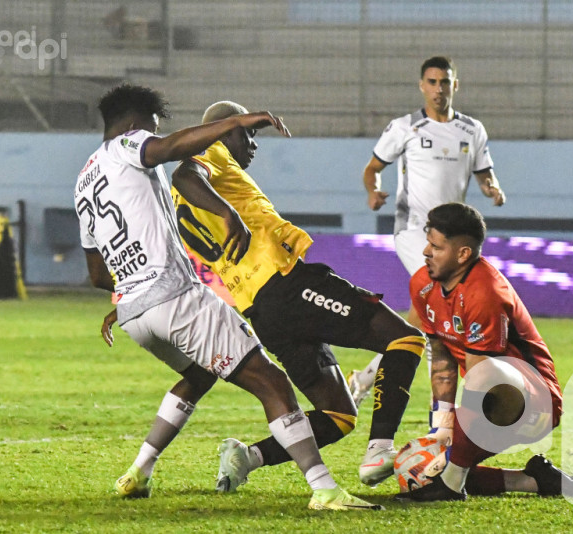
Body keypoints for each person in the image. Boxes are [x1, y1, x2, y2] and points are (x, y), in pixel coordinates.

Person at [78, 84, 381, 511]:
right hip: (175, 298)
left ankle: (140, 470)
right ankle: (325, 489)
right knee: (272, 383)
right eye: (151, 127)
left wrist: (130, 289)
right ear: (132, 123)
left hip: (133, 312)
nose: (153, 135)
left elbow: (96, 274)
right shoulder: (128, 145)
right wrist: (236, 122)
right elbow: (170, 150)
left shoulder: (83, 182)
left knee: (200, 375)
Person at [393, 202, 573, 502]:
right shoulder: (423, 284)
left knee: (483, 372)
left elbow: (480, 372)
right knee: (419, 473)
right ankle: (534, 480)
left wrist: (456, 432)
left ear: (463, 254)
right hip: (484, 401)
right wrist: (442, 424)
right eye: (428, 243)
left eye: (436, 247)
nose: (426, 252)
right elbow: (442, 358)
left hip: (534, 402)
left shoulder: (486, 291)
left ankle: (452, 484)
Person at [349, 56, 505, 411]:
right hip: (413, 231)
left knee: (425, 317)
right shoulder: (405, 127)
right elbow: (372, 168)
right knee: (437, 303)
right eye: (432, 82)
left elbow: (484, 172)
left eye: (445, 82)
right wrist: (373, 192)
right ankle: (443, 413)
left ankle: (365, 378)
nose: (439, 89)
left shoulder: (472, 130)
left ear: (455, 85)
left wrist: (492, 188)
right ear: (422, 86)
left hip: (453, 237)